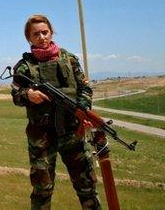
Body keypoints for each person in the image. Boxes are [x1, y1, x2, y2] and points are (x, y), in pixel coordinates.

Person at [10, 14, 101, 210]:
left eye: (45, 32)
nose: (42, 37)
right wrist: (28, 95)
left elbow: (85, 88)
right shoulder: (24, 67)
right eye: (36, 34)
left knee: (87, 186)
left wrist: (83, 111)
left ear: (51, 33)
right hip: (41, 137)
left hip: (72, 132)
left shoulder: (69, 59)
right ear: (29, 38)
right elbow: (16, 96)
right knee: (42, 189)